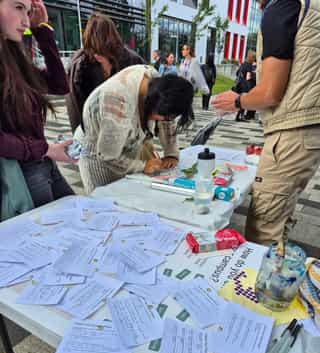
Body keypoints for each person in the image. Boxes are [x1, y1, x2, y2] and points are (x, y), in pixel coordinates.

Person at [213, 0, 320, 246]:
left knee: (264, 227)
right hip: (307, 133)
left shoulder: (281, 8)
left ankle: (263, 284)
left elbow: (270, 93)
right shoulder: (309, 7)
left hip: (292, 131)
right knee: (280, 215)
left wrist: (237, 101)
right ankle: (278, 273)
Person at [0, 0, 75, 211]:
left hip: (42, 163)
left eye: (28, 11)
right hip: (17, 174)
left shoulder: (13, 56)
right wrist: (46, 149)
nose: (25, 20)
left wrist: (41, 30)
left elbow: (60, 85)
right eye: (18, 7)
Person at [76, 65, 194, 194]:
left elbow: (167, 122)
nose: (164, 121)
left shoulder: (156, 82)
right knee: (106, 203)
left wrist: (171, 154)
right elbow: (108, 155)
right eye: (164, 117)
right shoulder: (115, 100)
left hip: (126, 147)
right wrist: (143, 166)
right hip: (99, 155)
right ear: (154, 105)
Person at [67, 14, 144, 133]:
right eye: (95, 52)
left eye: (105, 52)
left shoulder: (133, 62)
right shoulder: (79, 66)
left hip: (128, 132)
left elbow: (145, 98)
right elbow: (76, 109)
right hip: (92, 132)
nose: (98, 57)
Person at [233, 50, 256, 121]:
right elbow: (249, 77)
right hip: (245, 86)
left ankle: (238, 116)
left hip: (240, 85)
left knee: (241, 101)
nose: (254, 59)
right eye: (254, 58)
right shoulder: (249, 66)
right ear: (251, 58)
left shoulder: (243, 64)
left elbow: (237, 73)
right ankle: (241, 116)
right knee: (244, 101)